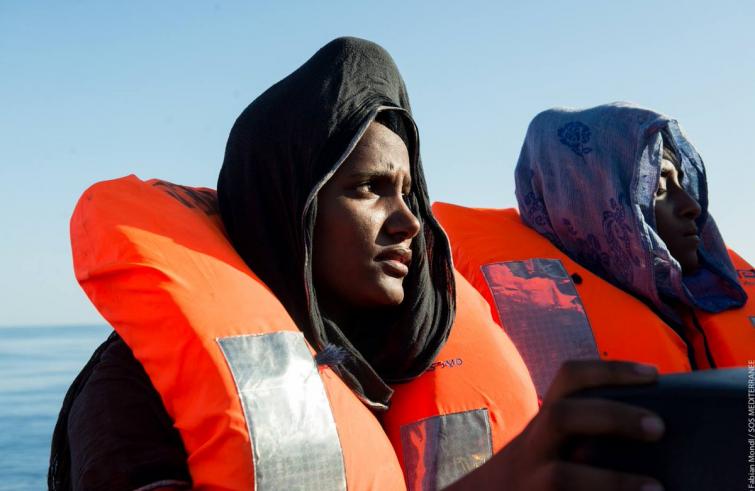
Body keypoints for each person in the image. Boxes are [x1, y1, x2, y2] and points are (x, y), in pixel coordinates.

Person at [51, 41, 665, 491]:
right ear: (291, 207)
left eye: (409, 193)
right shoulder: (133, 393)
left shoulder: (399, 354)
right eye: (369, 188)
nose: (409, 222)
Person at [433, 102, 752, 399]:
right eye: (657, 189)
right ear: (585, 200)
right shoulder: (473, 311)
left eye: (683, 183)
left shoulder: (716, 288)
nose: (692, 206)